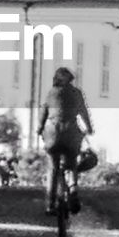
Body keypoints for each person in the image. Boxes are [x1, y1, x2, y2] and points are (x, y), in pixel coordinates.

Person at [38, 66, 94, 215]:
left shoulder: (51, 93)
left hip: (52, 134)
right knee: (72, 162)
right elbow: (83, 113)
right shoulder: (77, 93)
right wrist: (89, 128)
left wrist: (39, 128)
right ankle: (73, 188)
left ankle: (50, 204)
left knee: (53, 168)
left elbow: (43, 113)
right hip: (70, 132)